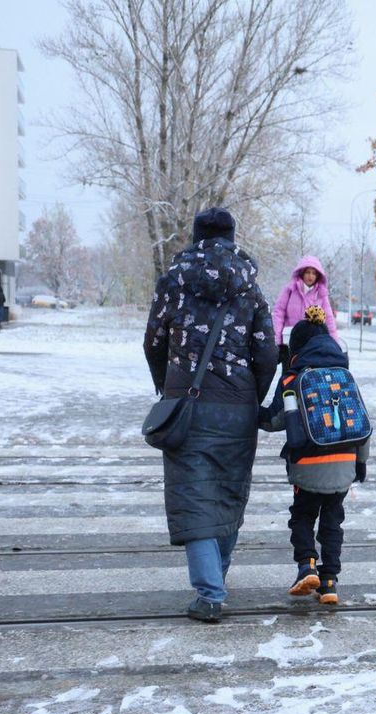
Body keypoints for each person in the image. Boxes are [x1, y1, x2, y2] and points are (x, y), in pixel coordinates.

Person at [144, 207, 278, 623]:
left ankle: (209, 592)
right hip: (237, 405)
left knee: (194, 493)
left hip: (187, 398)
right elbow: (267, 351)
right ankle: (216, 575)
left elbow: (153, 341)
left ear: (195, 235)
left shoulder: (173, 282)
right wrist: (253, 393)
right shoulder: (250, 289)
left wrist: (168, 386)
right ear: (233, 236)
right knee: (228, 490)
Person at [259, 306, 368, 605]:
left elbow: (274, 421)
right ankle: (330, 582)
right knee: (333, 522)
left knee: (303, 516)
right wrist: (360, 464)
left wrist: (253, 410)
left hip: (308, 463)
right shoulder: (345, 375)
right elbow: (361, 422)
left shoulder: (294, 377)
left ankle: (306, 565)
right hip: (345, 463)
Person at [272, 255, 338, 366]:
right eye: (308, 272)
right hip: (290, 344)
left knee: (308, 378)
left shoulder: (321, 294)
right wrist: (277, 341)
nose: (310, 276)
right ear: (301, 272)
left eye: (314, 273)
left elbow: (329, 320)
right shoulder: (290, 290)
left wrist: (335, 345)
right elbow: (278, 314)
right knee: (289, 377)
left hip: (313, 346)